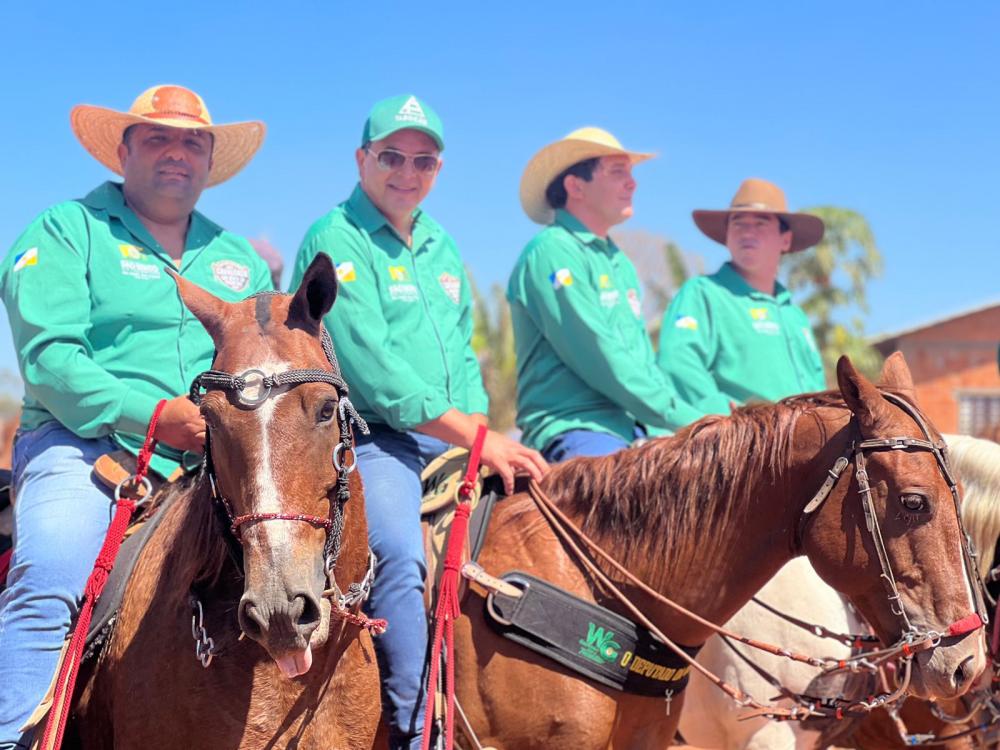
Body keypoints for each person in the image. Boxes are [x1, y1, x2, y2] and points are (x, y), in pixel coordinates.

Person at [0, 84, 271, 748]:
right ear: (122, 151)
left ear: (210, 161)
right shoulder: (67, 230)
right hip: (85, 447)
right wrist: (156, 417)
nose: (176, 152)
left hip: (212, 456)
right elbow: (51, 359)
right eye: (157, 138)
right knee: (54, 573)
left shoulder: (238, 260)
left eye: (192, 142)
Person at [290, 94, 547, 749]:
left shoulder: (440, 243)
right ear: (362, 160)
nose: (408, 172)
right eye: (392, 157)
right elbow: (373, 370)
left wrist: (479, 430)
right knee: (400, 555)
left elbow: (462, 353)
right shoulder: (335, 237)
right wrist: (477, 438)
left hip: (454, 433)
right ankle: (415, 728)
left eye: (424, 161)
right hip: (372, 436)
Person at [507, 127, 700, 463]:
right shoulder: (552, 252)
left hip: (638, 429)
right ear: (575, 186)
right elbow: (599, 354)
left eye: (630, 173)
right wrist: (687, 418)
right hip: (578, 426)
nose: (632, 183)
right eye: (617, 172)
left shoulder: (618, 261)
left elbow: (641, 360)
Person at [657, 178, 827, 418]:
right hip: (739, 444)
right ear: (726, 236)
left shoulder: (795, 316)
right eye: (738, 223)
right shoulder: (703, 293)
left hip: (800, 446)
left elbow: (816, 384)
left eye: (760, 223)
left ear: (785, 239)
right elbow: (678, 362)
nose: (748, 232)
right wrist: (729, 420)